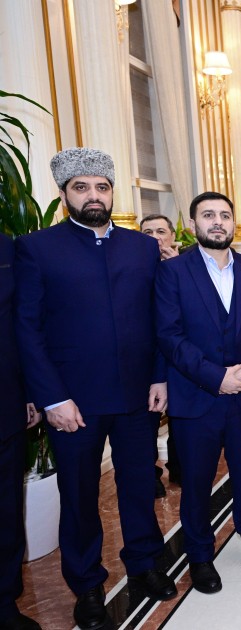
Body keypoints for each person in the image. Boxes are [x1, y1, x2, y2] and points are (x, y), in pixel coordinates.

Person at [15, 148, 177, 628]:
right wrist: (52, 397)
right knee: (80, 495)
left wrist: (160, 375)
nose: (93, 196)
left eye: (101, 187)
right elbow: (28, 329)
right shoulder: (37, 248)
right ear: (64, 193)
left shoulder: (141, 247)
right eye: (81, 187)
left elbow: (160, 319)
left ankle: (145, 563)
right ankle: (86, 584)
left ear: (112, 192)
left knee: (139, 484)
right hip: (74, 401)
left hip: (137, 395)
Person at [155, 191, 241, 594]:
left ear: (234, 223)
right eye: (208, 215)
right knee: (196, 481)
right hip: (196, 396)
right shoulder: (173, 272)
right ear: (192, 224)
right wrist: (216, 377)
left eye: (224, 215)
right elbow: (169, 336)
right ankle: (199, 556)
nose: (217, 222)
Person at [0, 233, 41, 630]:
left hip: (6, 404)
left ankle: (4, 604)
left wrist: (30, 393)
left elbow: (22, 323)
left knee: (7, 513)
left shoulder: (7, 247)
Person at [140, 213, 182, 497]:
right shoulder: (135, 267)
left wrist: (175, 266)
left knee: (181, 418)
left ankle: (179, 467)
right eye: (147, 232)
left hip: (179, 354)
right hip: (147, 355)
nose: (155, 238)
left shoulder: (186, 265)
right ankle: (150, 473)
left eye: (160, 231)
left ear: (172, 236)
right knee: (148, 421)